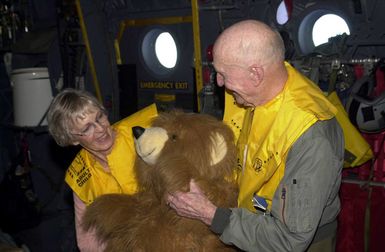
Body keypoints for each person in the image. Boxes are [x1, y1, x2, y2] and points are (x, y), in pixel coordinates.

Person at [167, 20, 344, 251]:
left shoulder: (311, 137)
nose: (219, 83)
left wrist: (211, 215)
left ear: (255, 73)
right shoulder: (255, 93)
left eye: (222, 74)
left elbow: (288, 240)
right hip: (248, 223)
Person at [47, 88, 157, 251]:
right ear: (73, 139)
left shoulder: (144, 132)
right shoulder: (81, 177)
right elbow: (88, 241)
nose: (100, 129)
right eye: (86, 129)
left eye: (100, 117)